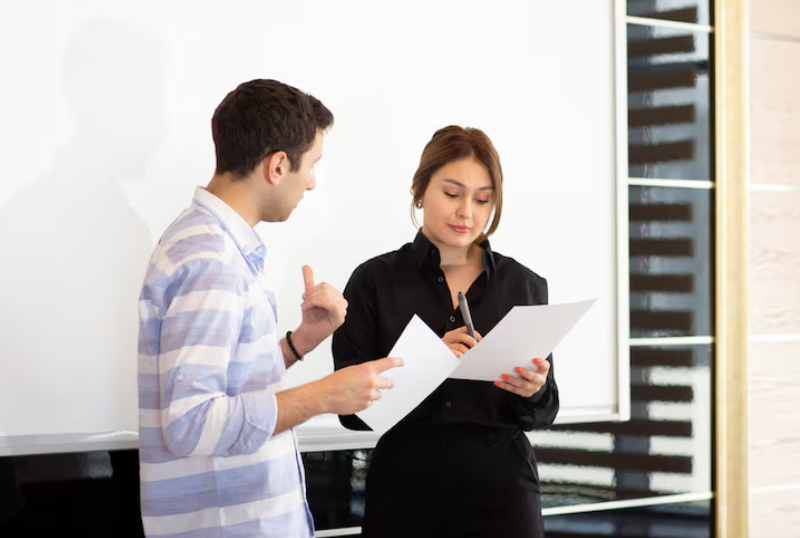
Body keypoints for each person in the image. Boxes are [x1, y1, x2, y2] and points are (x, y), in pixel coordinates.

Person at [137, 79, 402, 538]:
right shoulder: (212, 260)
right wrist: (325, 396)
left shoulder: (212, 246)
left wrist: (300, 343)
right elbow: (192, 424)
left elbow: (224, 383)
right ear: (278, 166)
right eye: (312, 165)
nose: (312, 182)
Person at [332, 126, 559, 538]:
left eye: (482, 199)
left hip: (503, 496)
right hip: (405, 493)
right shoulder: (373, 281)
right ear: (419, 189)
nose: (466, 212)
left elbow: (544, 411)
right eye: (453, 194)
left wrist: (534, 389)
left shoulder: (524, 285)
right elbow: (350, 413)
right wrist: (425, 362)